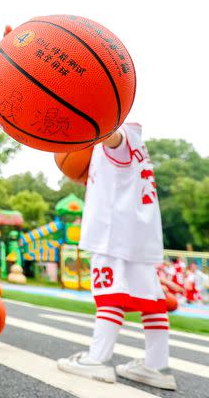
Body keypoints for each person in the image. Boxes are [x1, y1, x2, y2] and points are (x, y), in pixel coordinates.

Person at [58, 123, 176, 390]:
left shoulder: (118, 136)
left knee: (109, 295)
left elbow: (113, 138)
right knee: (153, 302)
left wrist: (84, 127)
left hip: (112, 233)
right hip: (140, 235)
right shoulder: (138, 144)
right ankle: (157, 365)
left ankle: (97, 359)